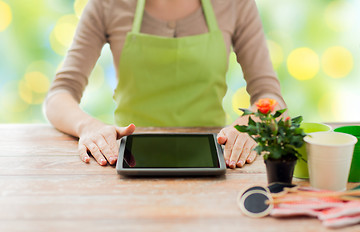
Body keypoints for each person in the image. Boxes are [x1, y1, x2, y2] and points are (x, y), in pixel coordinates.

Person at [44, 0, 286, 169]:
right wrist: (88, 127)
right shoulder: (107, 4)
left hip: (215, 158)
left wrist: (249, 124)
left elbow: (269, 95)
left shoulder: (236, 4)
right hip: (129, 160)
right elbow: (59, 94)